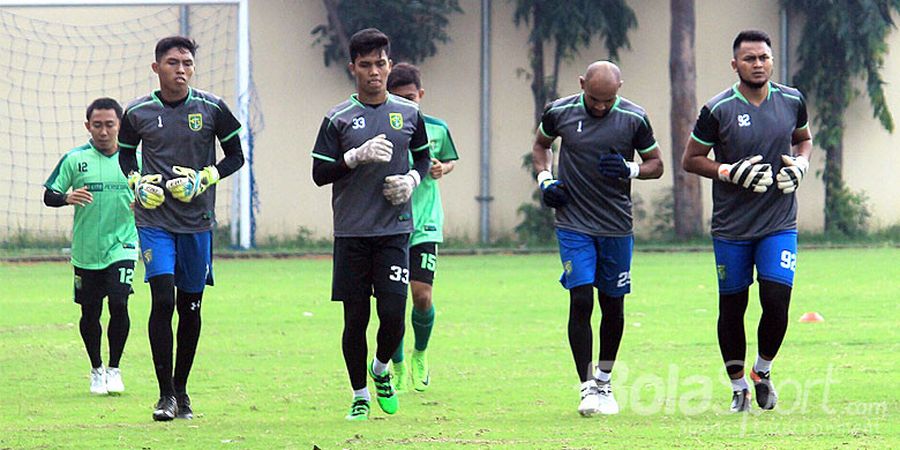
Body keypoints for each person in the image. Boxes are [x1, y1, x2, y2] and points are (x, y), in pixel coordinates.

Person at [682, 29, 813, 413]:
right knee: (733, 306)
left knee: (776, 299)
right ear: (735, 64)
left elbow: (803, 139)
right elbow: (691, 159)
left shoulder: (792, 100)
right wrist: (728, 172)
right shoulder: (717, 108)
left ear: (772, 61)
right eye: (750, 59)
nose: (758, 64)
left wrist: (802, 164)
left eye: (764, 58)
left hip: (778, 222)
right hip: (732, 228)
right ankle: (738, 385)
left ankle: (763, 372)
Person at [118, 36, 244, 421]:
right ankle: (165, 396)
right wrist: (136, 182)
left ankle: (183, 390)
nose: (182, 70)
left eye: (187, 63)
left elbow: (236, 155)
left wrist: (206, 177)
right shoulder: (137, 111)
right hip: (154, 221)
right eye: (173, 63)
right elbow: (125, 155)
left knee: (191, 307)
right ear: (157, 68)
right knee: (163, 300)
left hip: (197, 222)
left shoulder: (212, 108)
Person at [312, 28, 431, 421]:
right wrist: (353, 157)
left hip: (394, 229)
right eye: (366, 65)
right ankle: (360, 394)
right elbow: (318, 172)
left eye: (380, 64)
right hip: (352, 232)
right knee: (356, 318)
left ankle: (380, 369)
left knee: (394, 315)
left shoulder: (410, 113)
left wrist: (411, 181)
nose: (374, 72)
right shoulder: (337, 118)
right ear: (353, 69)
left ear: (390, 65)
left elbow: (424, 160)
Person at [532, 61, 663, 416]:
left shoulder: (635, 118)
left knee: (613, 304)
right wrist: (546, 180)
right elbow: (541, 147)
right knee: (580, 299)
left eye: (609, 100)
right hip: (574, 222)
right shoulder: (559, 112)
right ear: (581, 85)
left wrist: (630, 168)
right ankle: (587, 385)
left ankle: (605, 381)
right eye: (594, 99)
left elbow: (656, 164)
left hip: (616, 225)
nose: (601, 107)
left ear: (620, 88)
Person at [43, 98, 138, 396]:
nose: (104, 131)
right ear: (88, 126)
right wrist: (66, 198)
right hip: (87, 249)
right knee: (90, 311)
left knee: (120, 302)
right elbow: (50, 194)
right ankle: (96, 369)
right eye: (97, 125)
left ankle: (115, 369)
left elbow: (154, 191)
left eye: (110, 124)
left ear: (120, 126)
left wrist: (147, 202)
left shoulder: (134, 160)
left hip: (123, 245)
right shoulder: (75, 159)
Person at [386, 62, 459, 393]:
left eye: (411, 98)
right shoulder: (384, 126)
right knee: (392, 300)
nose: (407, 104)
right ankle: (397, 362)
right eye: (399, 98)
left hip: (425, 221)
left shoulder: (437, 128)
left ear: (421, 95)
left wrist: (444, 167)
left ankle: (420, 353)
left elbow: (449, 159)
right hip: (388, 222)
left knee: (422, 295)